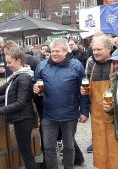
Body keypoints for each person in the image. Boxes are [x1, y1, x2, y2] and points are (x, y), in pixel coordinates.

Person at [33, 38, 89, 169]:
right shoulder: (42, 65)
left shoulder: (76, 65)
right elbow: (34, 82)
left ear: (65, 51)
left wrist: (84, 111)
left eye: (57, 51)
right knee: (48, 147)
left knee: (69, 146)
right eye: (52, 51)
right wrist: (34, 88)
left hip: (69, 114)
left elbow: (85, 89)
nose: (54, 54)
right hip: (48, 114)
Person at [0, 46, 38, 169]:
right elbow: (10, 92)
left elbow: (20, 103)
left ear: (19, 61)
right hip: (22, 118)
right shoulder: (18, 74)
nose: (7, 65)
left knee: (27, 154)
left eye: (9, 62)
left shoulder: (23, 77)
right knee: (26, 152)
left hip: (24, 119)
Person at [81, 35, 118, 169]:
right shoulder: (92, 64)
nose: (95, 52)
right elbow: (90, 86)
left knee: (117, 152)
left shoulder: (116, 64)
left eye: (99, 49)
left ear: (109, 49)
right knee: (100, 149)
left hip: (115, 117)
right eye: (94, 49)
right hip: (97, 117)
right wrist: (86, 91)